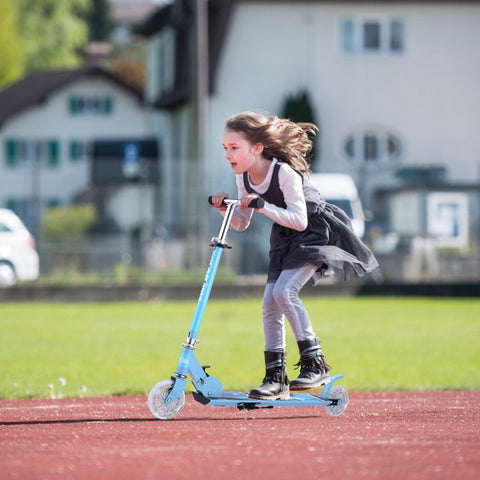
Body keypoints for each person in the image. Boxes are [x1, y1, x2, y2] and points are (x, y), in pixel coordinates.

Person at [210, 111, 378, 400]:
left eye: (234, 147)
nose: (228, 154)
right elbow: (241, 223)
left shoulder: (283, 173)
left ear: (257, 148)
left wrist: (263, 206)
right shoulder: (244, 177)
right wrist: (225, 208)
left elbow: (300, 220)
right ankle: (276, 378)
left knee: (285, 292)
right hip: (285, 238)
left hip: (314, 231)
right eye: (225, 148)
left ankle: (316, 364)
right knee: (269, 302)